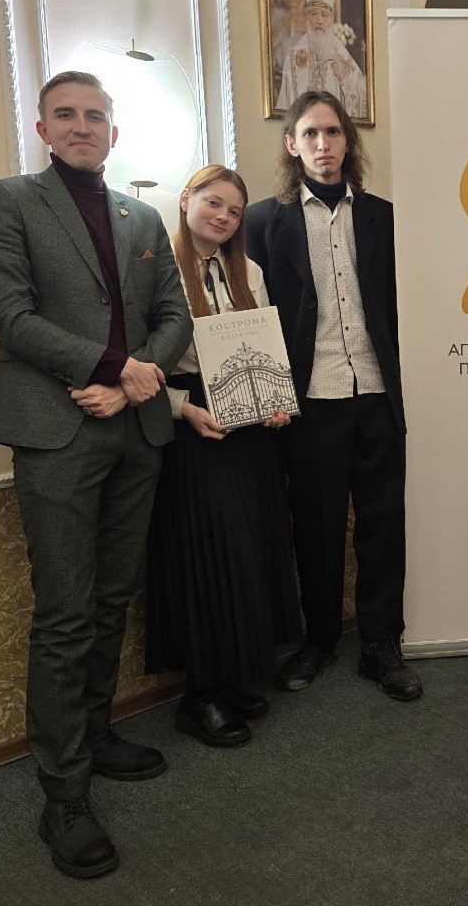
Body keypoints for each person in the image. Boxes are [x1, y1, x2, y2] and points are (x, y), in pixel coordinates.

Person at [0, 71, 192, 878]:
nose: (80, 125)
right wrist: (112, 367)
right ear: (41, 127)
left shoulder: (141, 216)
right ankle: (63, 795)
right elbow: (11, 316)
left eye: (95, 115)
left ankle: (94, 735)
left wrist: (133, 383)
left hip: (136, 431)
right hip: (55, 429)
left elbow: (174, 315)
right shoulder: (8, 201)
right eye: (64, 114)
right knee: (65, 613)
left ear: (113, 133)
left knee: (110, 597)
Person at [243, 89, 421, 702]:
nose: (323, 144)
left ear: (349, 141)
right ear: (292, 145)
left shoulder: (384, 218)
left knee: (383, 524)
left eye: (334, 132)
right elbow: (249, 313)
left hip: (377, 392)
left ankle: (381, 645)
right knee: (315, 529)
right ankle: (318, 640)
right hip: (310, 399)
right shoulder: (262, 222)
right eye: (310, 134)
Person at [144, 165, 304, 749]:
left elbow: (266, 347)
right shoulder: (156, 267)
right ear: (186, 198)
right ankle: (201, 695)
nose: (224, 217)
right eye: (214, 203)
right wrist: (183, 409)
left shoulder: (248, 271)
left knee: (249, 550)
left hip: (251, 426)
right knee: (207, 558)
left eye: (235, 211)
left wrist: (276, 401)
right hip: (195, 424)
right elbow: (139, 360)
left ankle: (234, 678)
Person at [275, 0, 369, 120]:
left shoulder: (343, 59)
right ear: (307, 17)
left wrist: (344, 78)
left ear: (331, 20)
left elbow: (364, 104)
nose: (319, 20)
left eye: (324, 15)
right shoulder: (293, 59)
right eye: (314, 14)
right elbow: (283, 110)